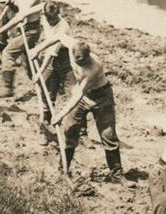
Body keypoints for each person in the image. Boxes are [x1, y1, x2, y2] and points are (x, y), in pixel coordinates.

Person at [50, 42, 124, 180]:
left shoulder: (93, 68)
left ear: (88, 56)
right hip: (84, 95)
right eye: (78, 61)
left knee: (108, 135)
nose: (80, 65)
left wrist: (61, 114)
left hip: (101, 97)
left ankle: (117, 174)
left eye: (83, 62)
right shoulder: (72, 48)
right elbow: (57, 36)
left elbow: (79, 94)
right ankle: (63, 169)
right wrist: (37, 50)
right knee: (70, 129)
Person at [0, 0, 43, 101]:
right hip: (23, 30)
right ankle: (44, 83)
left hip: (31, 31)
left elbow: (20, 16)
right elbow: (18, 1)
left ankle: (7, 87)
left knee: (8, 52)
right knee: (29, 60)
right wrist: (12, 2)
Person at [28, 1, 76, 129]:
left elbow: (51, 53)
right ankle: (46, 122)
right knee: (47, 91)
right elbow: (28, 11)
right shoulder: (44, 17)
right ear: (45, 15)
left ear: (58, 14)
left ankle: (81, 131)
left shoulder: (63, 27)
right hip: (49, 56)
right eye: (49, 19)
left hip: (65, 60)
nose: (51, 22)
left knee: (73, 94)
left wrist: (39, 73)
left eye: (54, 19)